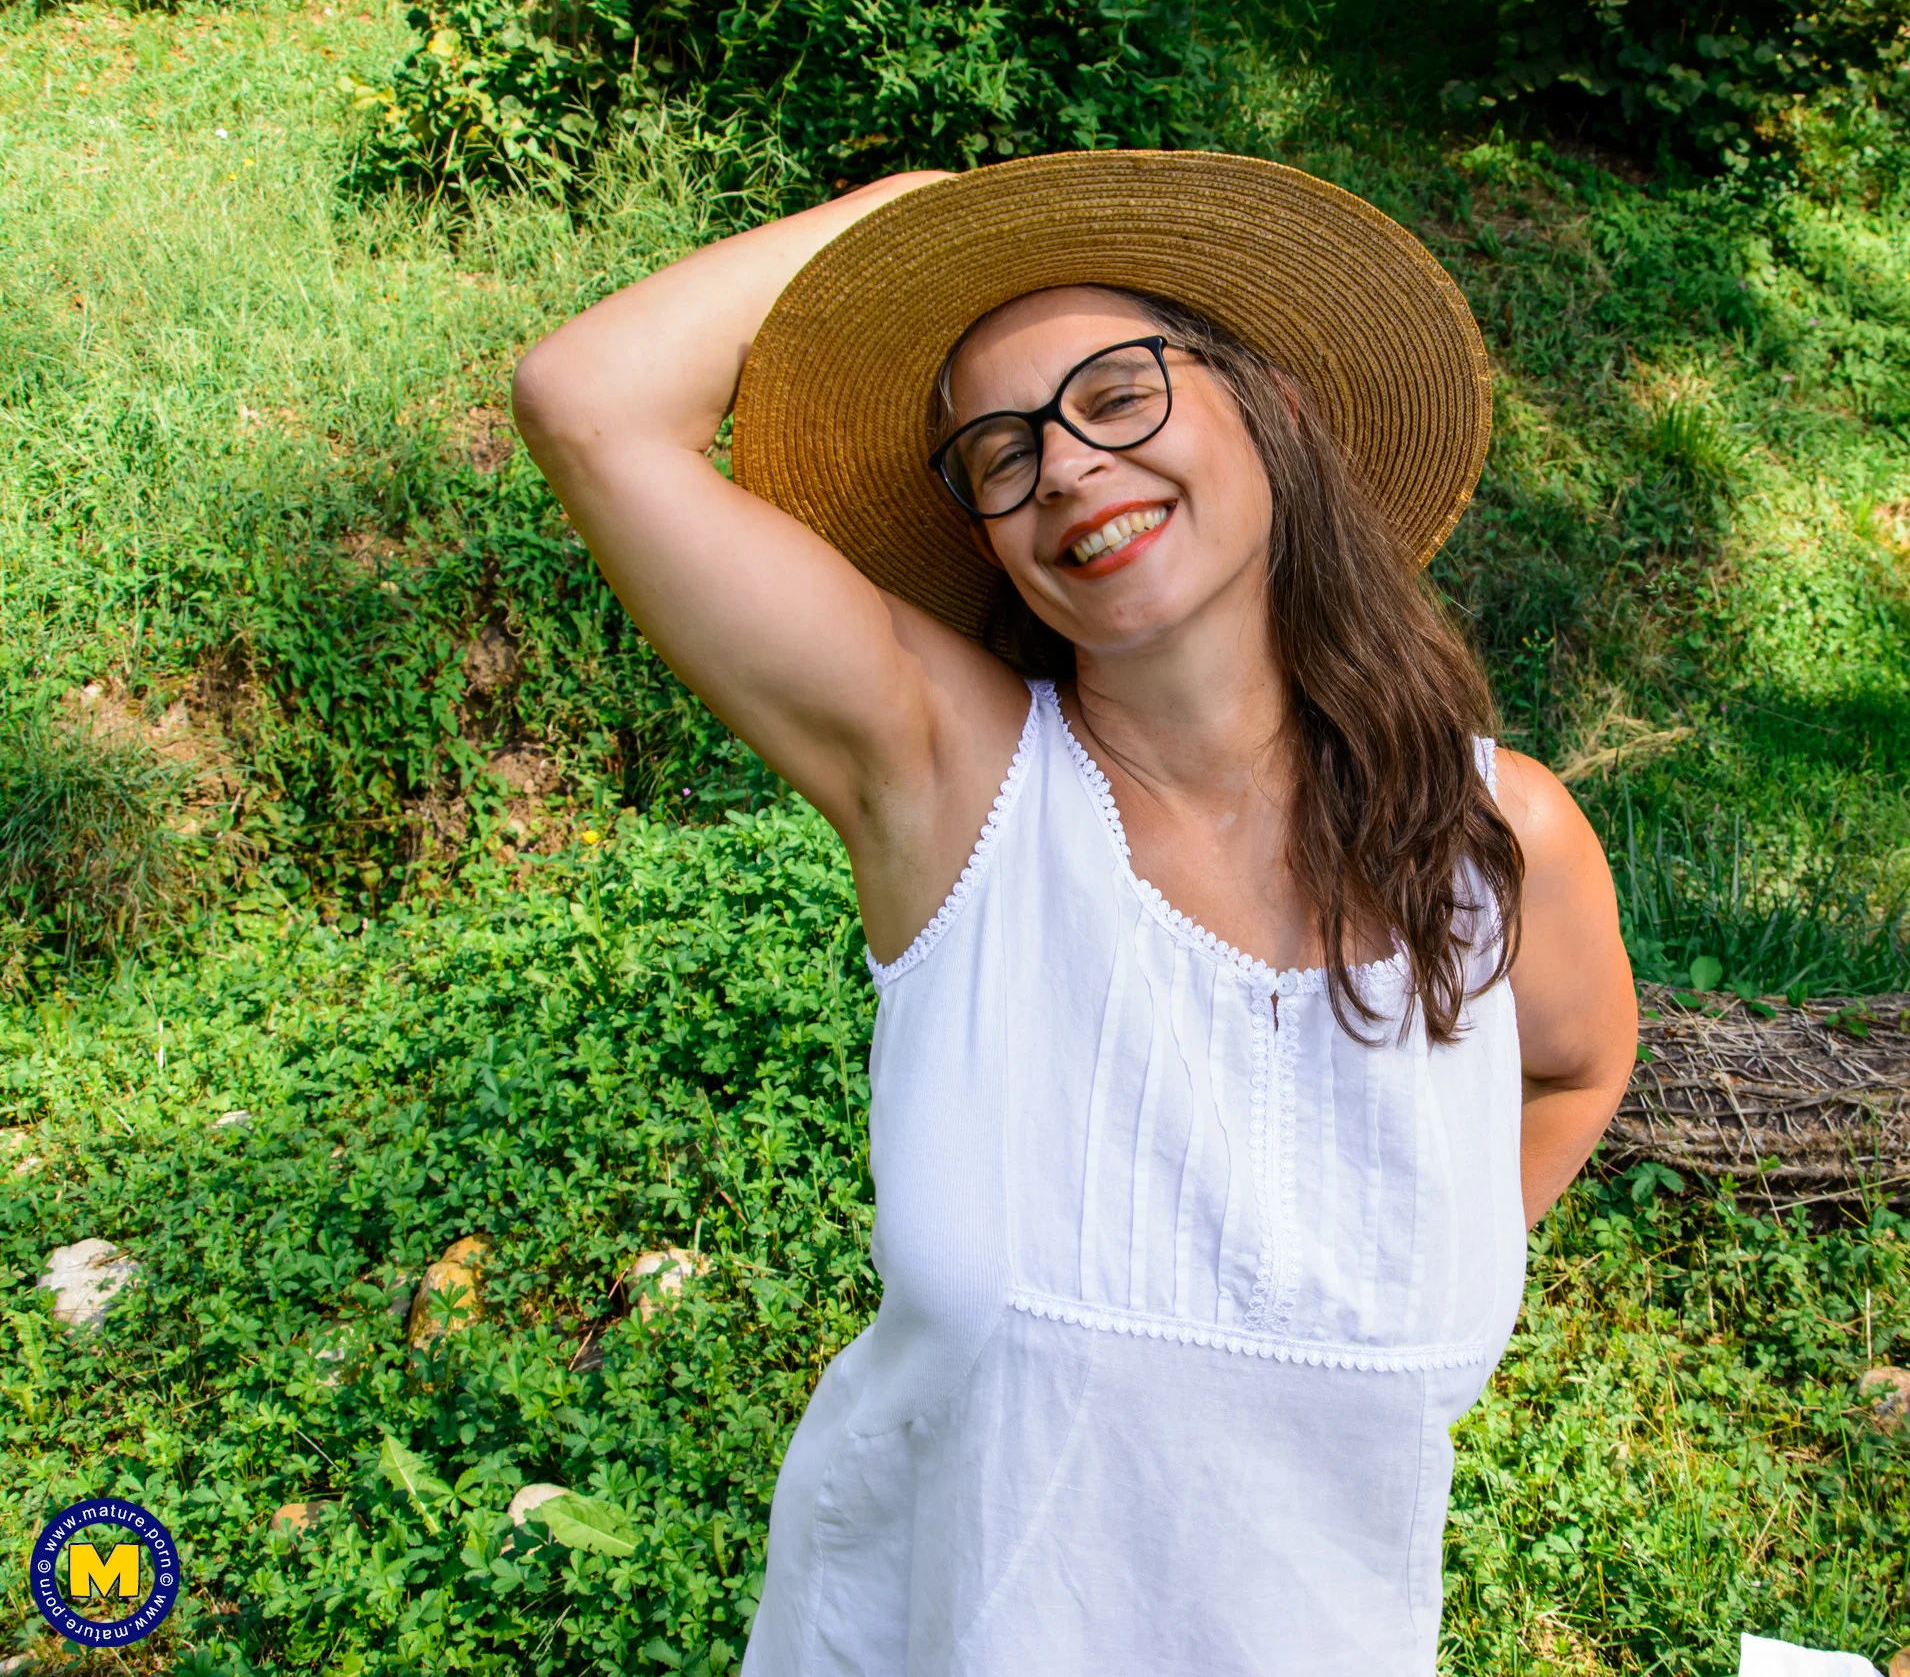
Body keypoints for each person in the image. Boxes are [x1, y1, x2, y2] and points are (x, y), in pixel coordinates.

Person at [512, 150, 1637, 1677]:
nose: (1068, 469)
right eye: (1001, 451)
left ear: (1276, 410)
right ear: (986, 530)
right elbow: (588, 403)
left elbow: (1572, 1065)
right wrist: (906, 217)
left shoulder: (1500, 845)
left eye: (1118, 396)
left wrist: (1407, 1248)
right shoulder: (955, 784)